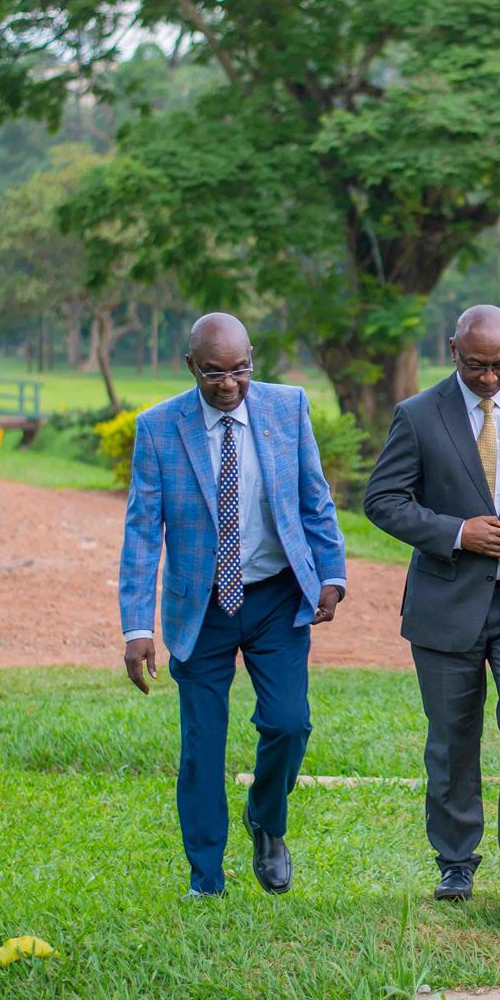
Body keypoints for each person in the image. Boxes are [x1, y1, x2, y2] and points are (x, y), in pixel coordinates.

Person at [363, 304, 500, 919]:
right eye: (476, 366)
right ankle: (456, 861)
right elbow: (382, 500)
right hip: (447, 602)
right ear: (452, 350)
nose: (489, 378)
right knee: (453, 738)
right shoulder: (418, 414)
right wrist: (457, 532)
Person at [118, 313, 348, 898]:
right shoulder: (159, 428)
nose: (229, 385)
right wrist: (137, 627)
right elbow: (143, 534)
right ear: (190, 366)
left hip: (275, 598)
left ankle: (266, 819)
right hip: (201, 609)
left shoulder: (287, 407)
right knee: (202, 746)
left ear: (252, 360)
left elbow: (315, 498)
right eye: (214, 373)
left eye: (240, 370)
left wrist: (331, 573)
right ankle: (206, 879)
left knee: (289, 723)